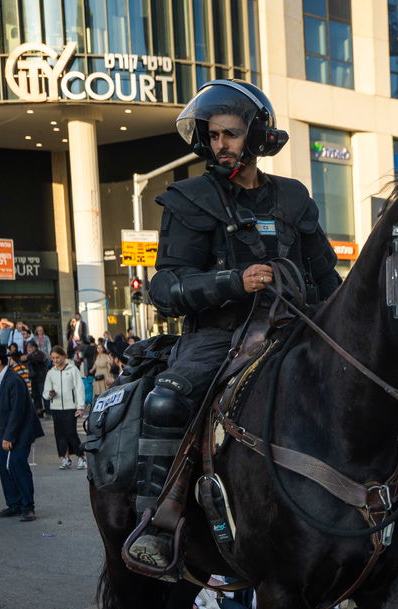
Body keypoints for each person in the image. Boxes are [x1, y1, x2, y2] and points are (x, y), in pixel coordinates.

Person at [126, 80, 340, 571]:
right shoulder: (187, 198)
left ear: (257, 135)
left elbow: (328, 279)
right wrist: (232, 281)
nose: (220, 145)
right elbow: (164, 288)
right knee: (166, 400)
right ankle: (158, 520)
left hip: (293, 330)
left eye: (231, 134)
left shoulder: (293, 198)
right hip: (216, 338)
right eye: (214, 135)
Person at [0, 341, 43, 521]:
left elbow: (17, 411)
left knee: (17, 466)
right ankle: (13, 505)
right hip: (3, 432)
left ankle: (28, 507)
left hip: (18, 434)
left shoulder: (14, 380)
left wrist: (9, 436)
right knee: (4, 468)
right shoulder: (0, 379)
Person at [44, 347, 86, 469]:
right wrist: (49, 394)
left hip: (70, 407)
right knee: (60, 434)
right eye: (53, 358)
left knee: (71, 433)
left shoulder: (73, 370)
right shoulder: (51, 372)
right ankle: (65, 458)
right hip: (56, 408)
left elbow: (79, 388)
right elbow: (45, 392)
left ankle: (81, 458)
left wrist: (80, 407)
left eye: (58, 357)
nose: (55, 360)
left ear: (64, 356)